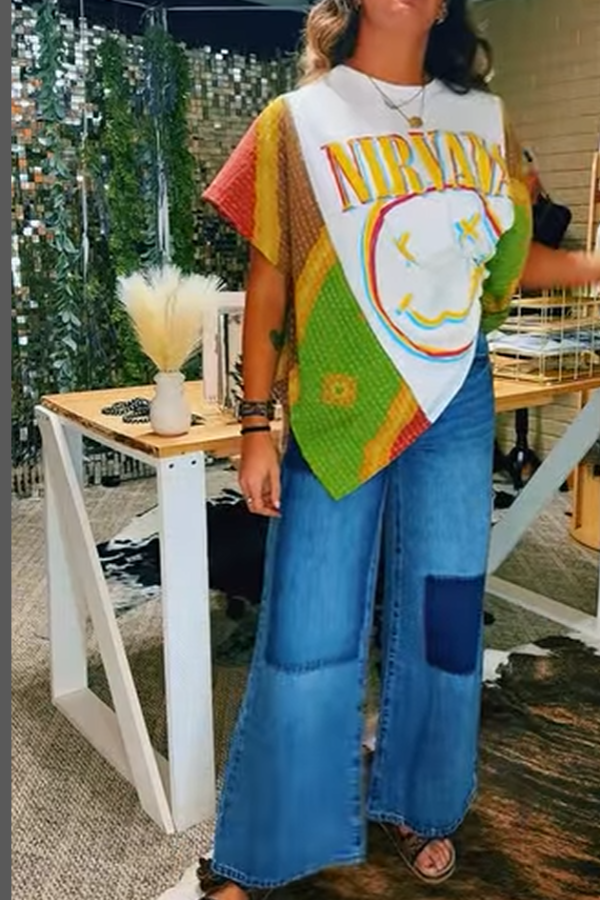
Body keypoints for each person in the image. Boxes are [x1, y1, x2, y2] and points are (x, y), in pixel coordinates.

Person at [199, 0, 600, 895]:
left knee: (445, 617)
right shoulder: (295, 122)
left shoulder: (484, 119)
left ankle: (423, 801)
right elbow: (269, 282)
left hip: (457, 398)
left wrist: (591, 265)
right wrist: (255, 426)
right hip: (337, 401)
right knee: (307, 626)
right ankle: (271, 846)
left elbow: (511, 265)